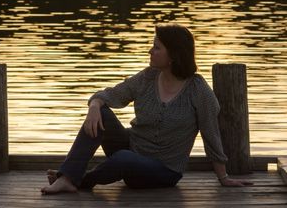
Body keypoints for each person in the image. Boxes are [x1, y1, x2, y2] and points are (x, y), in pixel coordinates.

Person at [41, 23, 252, 195]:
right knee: (103, 115)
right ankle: (68, 177)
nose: (150, 51)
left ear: (174, 56)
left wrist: (223, 177)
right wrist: (95, 105)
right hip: (131, 151)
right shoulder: (147, 77)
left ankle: (81, 180)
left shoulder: (198, 90)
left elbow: (211, 135)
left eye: (157, 47)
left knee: (124, 158)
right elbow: (112, 94)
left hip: (163, 171)